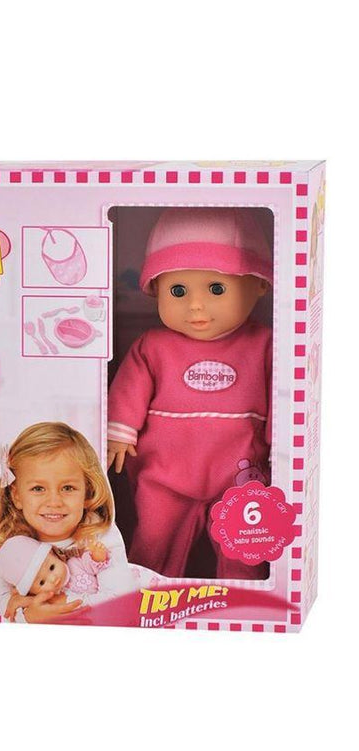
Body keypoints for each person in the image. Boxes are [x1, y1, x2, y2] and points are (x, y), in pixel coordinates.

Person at [107, 208, 272, 579]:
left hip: (239, 474)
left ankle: (246, 596)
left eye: (216, 289)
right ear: (156, 291)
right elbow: (130, 388)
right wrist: (119, 430)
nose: (195, 304)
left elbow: (284, 396)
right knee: (154, 537)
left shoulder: (265, 345)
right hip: (164, 475)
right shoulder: (153, 346)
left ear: (259, 284)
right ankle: (145, 594)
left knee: (246, 544)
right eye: (178, 291)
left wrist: (283, 442)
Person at [0, 421, 135, 623]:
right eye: (38, 489)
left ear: (87, 492)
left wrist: (60, 607)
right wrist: (28, 616)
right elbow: (3, 600)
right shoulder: (7, 543)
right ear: (17, 496)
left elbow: (119, 600)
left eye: (68, 488)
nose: (54, 502)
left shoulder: (98, 535)